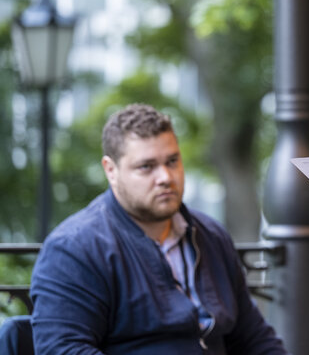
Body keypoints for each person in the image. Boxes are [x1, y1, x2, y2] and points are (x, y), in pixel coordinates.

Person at [30, 103, 289, 355]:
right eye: (147, 167)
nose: (166, 177)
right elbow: (62, 348)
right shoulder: (74, 248)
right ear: (111, 170)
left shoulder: (211, 235)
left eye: (172, 161)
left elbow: (255, 338)